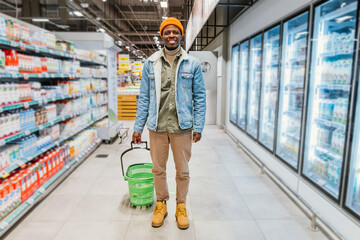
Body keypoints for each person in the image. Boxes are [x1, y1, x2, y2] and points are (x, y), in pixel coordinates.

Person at [132, 17, 206, 230]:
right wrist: (138, 127)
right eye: (167, 32)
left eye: (175, 32)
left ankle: (181, 205)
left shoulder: (192, 63)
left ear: (180, 34)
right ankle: (161, 203)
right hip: (157, 127)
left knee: (182, 170)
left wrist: (198, 125)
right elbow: (144, 97)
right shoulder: (151, 62)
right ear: (162, 35)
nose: (171, 35)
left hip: (182, 127)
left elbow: (199, 96)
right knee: (158, 169)